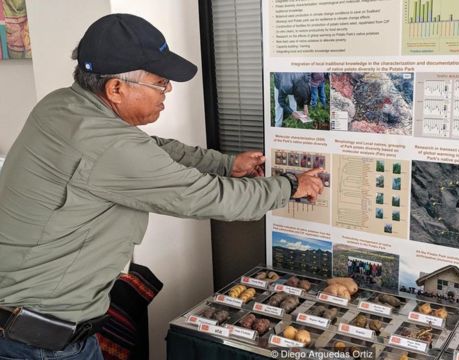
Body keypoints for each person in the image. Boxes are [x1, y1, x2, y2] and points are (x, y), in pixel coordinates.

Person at [0, 14, 323, 359]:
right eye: (160, 82)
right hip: (38, 344)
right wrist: (290, 186)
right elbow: (212, 198)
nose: (167, 90)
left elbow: (151, 149)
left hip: (31, 327)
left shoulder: (63, 105)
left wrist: (226, 163)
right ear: (116, 88)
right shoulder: (111, 147)